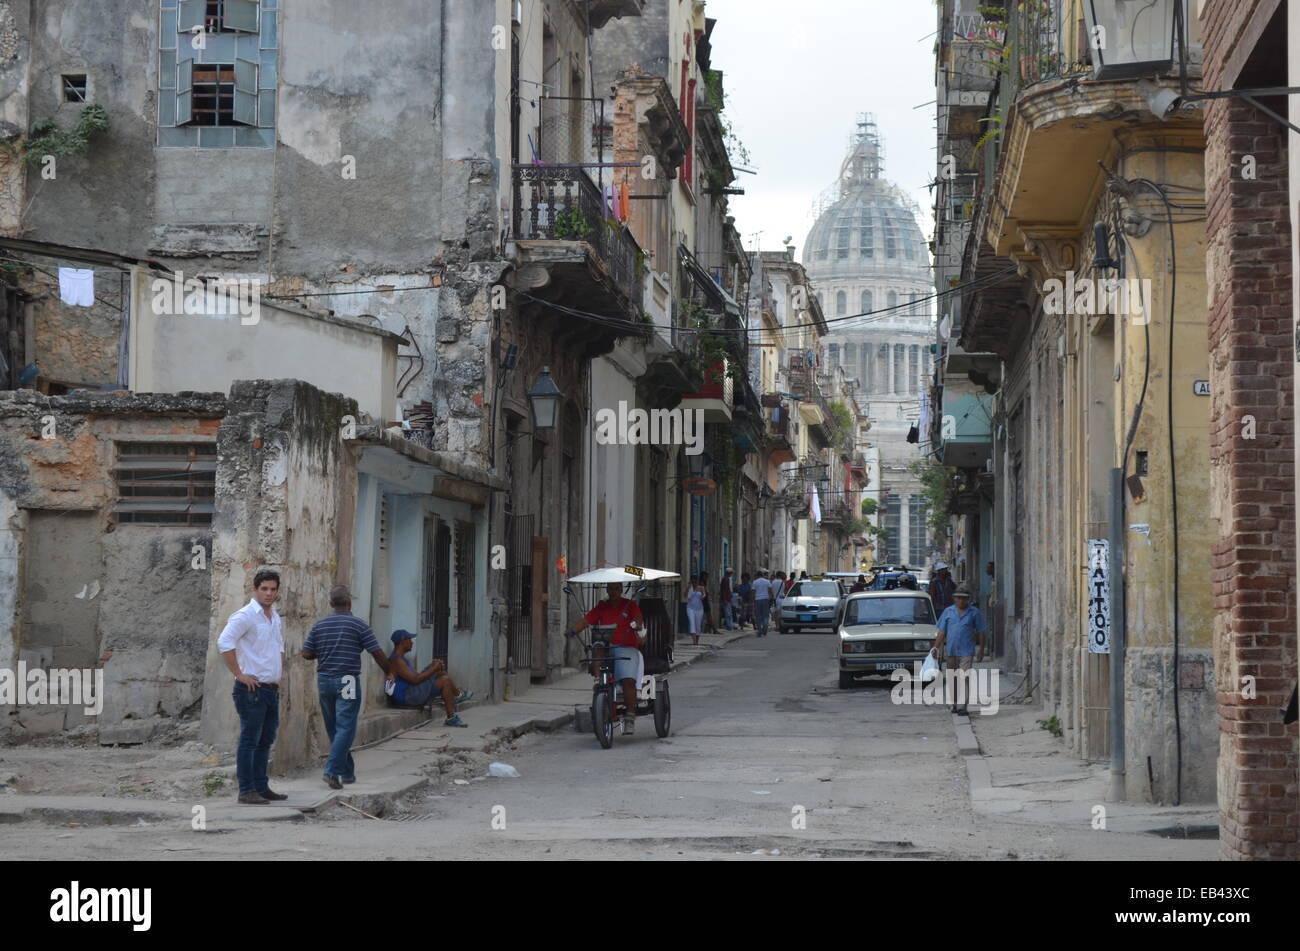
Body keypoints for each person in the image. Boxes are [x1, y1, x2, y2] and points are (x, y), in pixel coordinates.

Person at [301, 585, 391, 789]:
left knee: (335, 728)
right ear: (349, 603)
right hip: (347, 680)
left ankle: (347, 772)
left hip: (324, 680)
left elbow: (306, 654)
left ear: (332, 604)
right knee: (346, 727)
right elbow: (376, 652)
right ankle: (331, 770)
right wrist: (390, 671)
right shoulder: (359, 625)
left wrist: (324, 652)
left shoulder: (319, 626)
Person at [217, 569, 286, 805]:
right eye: (264, 589)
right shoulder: (245, 615)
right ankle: (246, 790)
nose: (269, 593)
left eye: (273, 589)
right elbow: (224, 642)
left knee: (266, 740)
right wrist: (239, 674)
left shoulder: (274, 616)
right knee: (250, 740)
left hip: (270, 689)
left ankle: (261, 786)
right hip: (252, 690)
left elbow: (277, 649)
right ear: (254, 589)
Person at [566, 582, 645, 735]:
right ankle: (598, 681)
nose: (614, 592)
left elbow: (638, 619)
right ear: (607, 590)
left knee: (629, 680)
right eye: (611, 589)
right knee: (597, 648)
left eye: (617, 589)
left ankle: (629, 717)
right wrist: (572, 631)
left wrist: (637, 625)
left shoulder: (630, 605)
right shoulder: (601, 607)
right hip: (607, 647)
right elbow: (586, 621)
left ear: (621, 590)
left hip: (626, 647)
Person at [385, 630, 471, 726]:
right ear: (402, 641)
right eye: (409, 639)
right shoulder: (396, 660)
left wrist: (431, 666)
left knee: (442, 675)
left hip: (411, 693)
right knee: (443, 678)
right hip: (407, 696)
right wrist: (433, 669)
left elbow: (417, 676)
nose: (412, 642)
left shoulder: (401, 659)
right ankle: (458, 695)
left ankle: (452, 716)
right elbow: (415, 679)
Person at [931, 586, 988, 716]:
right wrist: (935, 647)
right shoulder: (948, 612)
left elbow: (981, 632)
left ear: (968, 600)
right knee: (952, 678)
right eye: (959, 598)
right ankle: (955, 704)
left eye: (964, 599)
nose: (961, 601)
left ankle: (962, 707)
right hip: (951, 650)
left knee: (964, 677)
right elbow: (942, 632)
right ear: (954, 599)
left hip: (966, 651)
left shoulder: (974, 612)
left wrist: (981, 651)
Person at [683, 575, 706, 646]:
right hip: (690, 608)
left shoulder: (701, 588)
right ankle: (694, 641)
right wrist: (688, 587)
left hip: (699, 609)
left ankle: (697, 641)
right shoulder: (689, 588)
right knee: (692, 623)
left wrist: (702, 596)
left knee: (698, 625)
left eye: (695, 581)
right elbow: (685, 596)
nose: (694, 583)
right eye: (693, 581)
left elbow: (704, 595)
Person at [752, 569, 773, 637]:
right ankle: (765, 627)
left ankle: (760, 630)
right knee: (765, 615)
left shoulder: (755, 582)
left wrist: (753, 600)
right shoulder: (767, 581)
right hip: (765, 599)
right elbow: (770, 590)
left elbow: (753, 592)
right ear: (762, 575)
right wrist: (769, 598)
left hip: (757, 599)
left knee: (758, 616)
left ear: (757, 575)